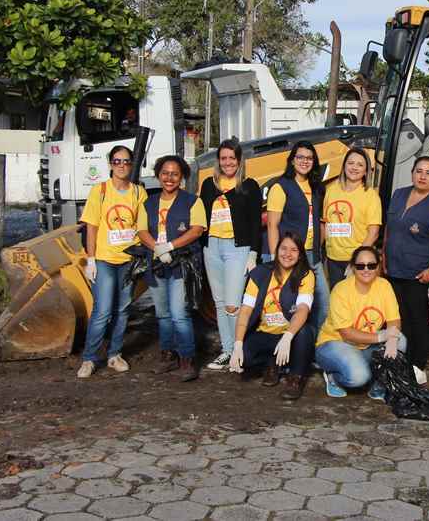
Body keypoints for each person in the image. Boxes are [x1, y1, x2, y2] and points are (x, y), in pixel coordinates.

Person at [77, 145, 147, 379]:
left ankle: (114, 354)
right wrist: (91, 259)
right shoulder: (101, 191)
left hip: (128, 260)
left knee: (123, 309)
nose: (122, 166)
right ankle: (89, 358)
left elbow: (143, 226)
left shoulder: (139, 193)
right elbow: (92, 227)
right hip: (105, 260)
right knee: (103, 310)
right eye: (117, 161)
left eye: (126, 161)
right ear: (110, 164)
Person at [383, 156, 429, 385]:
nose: (422, 176)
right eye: (419, 171)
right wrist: (383, 254)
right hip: (393, 270)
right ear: (412, 173)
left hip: (418, 274)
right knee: (397, 318)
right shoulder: (399, 194)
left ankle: (417, 365)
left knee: (418, 322)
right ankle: (399, 362)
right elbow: (389, 229)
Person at [136, 155, 206, 381]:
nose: (169, 178)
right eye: (165, 173)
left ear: (182, 177)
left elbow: (196, 230)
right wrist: (157, 248)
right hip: (156, 262)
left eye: (175, 174)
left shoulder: (192, 201)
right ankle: (168, 355)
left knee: (179, 312)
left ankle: (187, 358)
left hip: (182, 264)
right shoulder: (148, 202)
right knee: (163, 313)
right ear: (158, 175)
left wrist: (171, 246)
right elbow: (142, 231)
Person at [229, 231, 317, 401]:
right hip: (265, 333)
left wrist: (288, 336)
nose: (287, 254)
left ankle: (295, 378)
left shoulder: (306, 275)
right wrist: (238, 344)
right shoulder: (260, 273)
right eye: (283, 248)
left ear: (300, 255)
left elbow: (303, 309)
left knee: (305, 332)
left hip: (290, 335)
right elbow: (246, 310)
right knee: (243, 359)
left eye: (293, 250)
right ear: (276, 251)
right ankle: (272, 362)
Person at [200, 139, 263, 371]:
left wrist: (254, 253)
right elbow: (200, 218)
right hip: (212, 247)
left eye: (232, 158)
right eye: (223, 158)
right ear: (218, 161)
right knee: (218, 302)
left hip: (237, 249)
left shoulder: (249, 186)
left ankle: (239, 350)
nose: (227, 162)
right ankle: (226, 351)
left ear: (239, 161)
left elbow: (256, 223)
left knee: (233, 304)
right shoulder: (208, 185)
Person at [316, 246, 405, 398]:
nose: (366, 270)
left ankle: (379, 384)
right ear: (352, 267)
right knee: (358, 377)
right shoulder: (341, 289)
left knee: (400, 340)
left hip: (365, 344)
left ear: (378, 267)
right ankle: (333, 377)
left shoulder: (384, 286)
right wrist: (382, 337)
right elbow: (346, 333)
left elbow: (394, 319)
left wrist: (391, 337)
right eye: (360, 266)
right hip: (336, 342)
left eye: (371, 265)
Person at [266, 141, 331, 328]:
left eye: (309, 158)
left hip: (313, 256)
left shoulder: (318, 188)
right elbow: (272, 224)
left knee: (323, 306)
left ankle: (317, 350)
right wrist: (274, 259)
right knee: (293, 307)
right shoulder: (281, 186)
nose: (305, 161)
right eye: (300, 157)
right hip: (290, 257)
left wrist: (319, 246)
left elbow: (319, 222)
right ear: (292, 160)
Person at [323, 147, 382, 288]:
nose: (354, 168)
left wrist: (356, 262)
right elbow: (325, 224)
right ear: (344, 166)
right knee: (337, 301)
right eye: (351, 163)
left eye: (360, 165)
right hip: (332, 259)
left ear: (366, 171)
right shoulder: (331, 191)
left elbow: (373, 233)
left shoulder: (370, 195)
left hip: (358, 261)